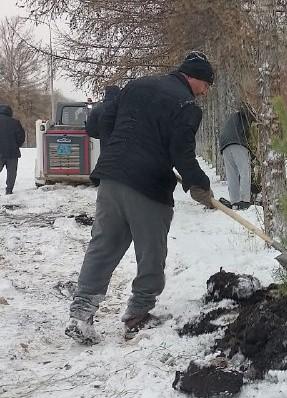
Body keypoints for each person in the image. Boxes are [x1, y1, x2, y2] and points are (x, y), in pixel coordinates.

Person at [65, 51, 216, 345]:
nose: (206, 92)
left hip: (111, 178)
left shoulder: (136, 86)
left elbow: (98, 123)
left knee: (103, 245)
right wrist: (200, 185)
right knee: (151, 252)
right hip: (147, 185)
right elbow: (181, 154)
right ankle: (138, 314)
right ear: (194, 78)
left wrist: (117, 147)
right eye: (206, 85)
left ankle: (81, 313)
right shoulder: (186, 105)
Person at [219, 102, 256, 210]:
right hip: (237, 142)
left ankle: (235, 201)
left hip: (224, 144)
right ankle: (245, 200)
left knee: (232, 174)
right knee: (245, 172)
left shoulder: (233, 117)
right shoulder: (245, 114)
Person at [0, 104, 25, 195]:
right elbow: (21, 136)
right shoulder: (15, 122)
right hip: (12, 152)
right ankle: (9, 190)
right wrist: (16, 145)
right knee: (11, 173)